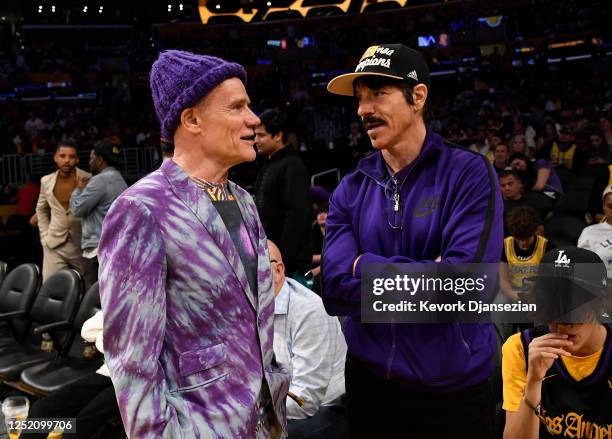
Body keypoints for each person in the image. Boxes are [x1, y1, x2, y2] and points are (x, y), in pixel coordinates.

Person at [98, 50, 290, 438]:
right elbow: (133, 366)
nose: (254, 119)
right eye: (238, 107)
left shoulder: (244, 200)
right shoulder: (141, 209)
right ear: (192, 119)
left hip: (266, 423)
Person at [323, 43, 503, 437]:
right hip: (371, 387)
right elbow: (334, 290)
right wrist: (431, 273)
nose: (363, 110)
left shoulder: (469, 174)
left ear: (418, 96)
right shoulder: (350, 189)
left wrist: (362, 266)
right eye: (359, 99)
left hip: (453, 392)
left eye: (377, 94)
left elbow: (466, 288)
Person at [502, 246, 611, 439]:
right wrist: (534, 382)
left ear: (599, 304)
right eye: (552, 309)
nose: (561, 324)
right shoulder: (520, 348)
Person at [268, 240, 347, 439]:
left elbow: (305, 400)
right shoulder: (246, 308)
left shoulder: (309, 311)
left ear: (278, 271)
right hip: (273, 402)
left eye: (253, 269)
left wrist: (249, 414)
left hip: (325, 408)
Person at [19, 310, 120, 439]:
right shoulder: (117, 303)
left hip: (140, 381)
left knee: (79, 426)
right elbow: (87, 332)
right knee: (41, 411)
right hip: (108, 372)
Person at [254, 109, 313, 278]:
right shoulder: (270, 162)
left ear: (278, 136)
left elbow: (297, 216)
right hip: (271, 259)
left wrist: (282, 261)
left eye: (261, 135)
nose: (256, 140)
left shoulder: (292, 165)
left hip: (289, 266)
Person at [70, 139, 127, 286]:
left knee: (96, 296)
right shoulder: (120, 179)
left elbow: (77, 210)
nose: (89, 162)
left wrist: (78, 190)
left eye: (91, 157)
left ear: (100, 160)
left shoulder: (99, 180)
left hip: (98, 248)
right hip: (115, 245)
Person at [36, 142, 91, 282]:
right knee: (50, 286)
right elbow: (41, 209)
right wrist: (44, 235)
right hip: (54, 243)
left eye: (71, 156)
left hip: (81, 244)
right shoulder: (46, 181)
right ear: (55, 158)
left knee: (88, 287)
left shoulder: (88, 178)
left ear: (77, 159)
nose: (67, 160)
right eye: (62, 156)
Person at [499, 206, 552, 302]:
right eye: (518, 239)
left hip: (537, 293)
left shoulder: (547, 247)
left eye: (527, 239)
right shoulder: (505, 245)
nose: (523, 244)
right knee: (499, 304)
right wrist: (512, 294)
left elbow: (549, 282)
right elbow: (503, 280)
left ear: (534, 231)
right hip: (513, 291)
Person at [578, 185, 612, 278]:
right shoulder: (589, 232)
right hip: (601, 286)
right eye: (610, 206)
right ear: (603, 206)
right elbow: (582, 266)